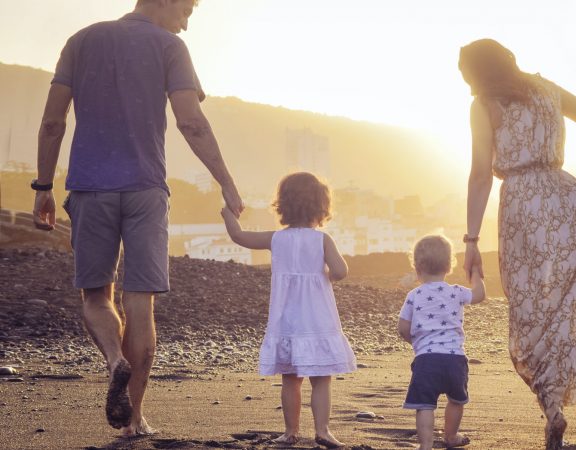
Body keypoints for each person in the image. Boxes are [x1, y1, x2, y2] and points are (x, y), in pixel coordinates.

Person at [31, 0, 242, 436]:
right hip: (146, 188)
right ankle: (133, 420)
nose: (185, 26)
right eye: (185, 13)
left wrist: (43, 187)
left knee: (95, 295)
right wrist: (225, 180)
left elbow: (53, 122)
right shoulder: (168, 47)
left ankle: (114, 361)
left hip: (90, 187)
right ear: (163, 2)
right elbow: (192, 123)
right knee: (140, 302)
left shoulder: (81, 40)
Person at [458, 38, 576, 450]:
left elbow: (481, 175)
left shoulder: (483, 105)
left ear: (476, 73)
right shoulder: (547, 89)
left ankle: (552, 408)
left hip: (519, 206)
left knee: (528, 308)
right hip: (563, 197)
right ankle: (556, 402)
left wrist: (471, 239)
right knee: (562, 299)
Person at [220, 172, 357, 448]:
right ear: (321, 206)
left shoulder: (276, 239)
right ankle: (323, 431)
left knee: (291, 379)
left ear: (282, 205)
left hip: (287, 320)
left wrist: (227, 213)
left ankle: (291, 431)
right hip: (318, 318)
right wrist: (325, 277)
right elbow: (341, 271)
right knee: (321, 379)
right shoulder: (322, 240)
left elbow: (239, 236)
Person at [398, 235, 486, 450]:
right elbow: (479, 295)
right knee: (456, 400)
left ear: (417, 267)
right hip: (454, 358)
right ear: (449, 266)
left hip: (426, 359)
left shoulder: (414, 295)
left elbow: (403, 328)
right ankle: (451, 435)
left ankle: (426, 445)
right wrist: (475, 272)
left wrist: (417, 343)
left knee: (425, 404)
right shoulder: (456, 291)